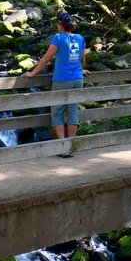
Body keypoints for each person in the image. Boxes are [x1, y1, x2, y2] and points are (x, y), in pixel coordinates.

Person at [25, 12, 87, 157]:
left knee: (57, 112)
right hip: (78, 78)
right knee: (73, 111)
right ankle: (71, 145)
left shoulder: (58, 38)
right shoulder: (80, 38)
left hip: (62, 79)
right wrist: (81, 69)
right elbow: (82, 59)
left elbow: (47, 57)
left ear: (60, 25)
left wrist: (32, 73)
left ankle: (63, 148)